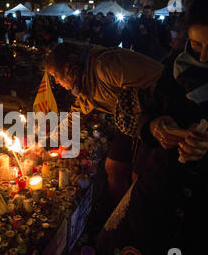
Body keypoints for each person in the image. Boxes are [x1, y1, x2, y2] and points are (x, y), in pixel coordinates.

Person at [96, 0, 208, 255]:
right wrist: (153, 126)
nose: (203, 58)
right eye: (196, 44)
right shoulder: (177, 66)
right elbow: (148, 113)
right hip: (157, 198)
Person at [45, 42, 164, 211]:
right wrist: (45, 143)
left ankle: (136, 214)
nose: (56, 82)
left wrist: (152, 119)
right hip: (131, 123)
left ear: (67, 67)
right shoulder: (85, 83)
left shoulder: (106, 65)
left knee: (140, 175)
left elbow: (160, 78)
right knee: (113, 167)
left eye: (55, 75)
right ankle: (117, 212)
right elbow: (76, 115)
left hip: (155, 120)